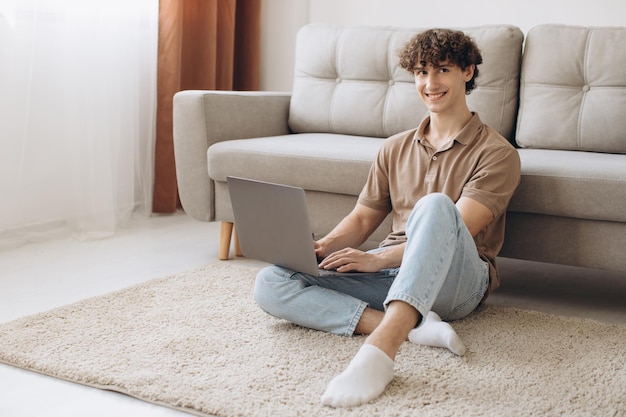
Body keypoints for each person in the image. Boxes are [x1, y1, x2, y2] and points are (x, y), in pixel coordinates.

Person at [253, 28, 521, 408]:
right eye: (421, 72)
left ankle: (381, 350)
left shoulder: (498, 153)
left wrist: (376, 258)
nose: (430, 83)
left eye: (442, 70)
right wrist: (322, 247)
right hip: (392, 277)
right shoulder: (394, 147)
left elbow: (456, 229)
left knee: (435, 206)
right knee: (271, 282)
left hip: (458, 280)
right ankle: (413, 327)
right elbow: (364, 218)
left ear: (468, 71)